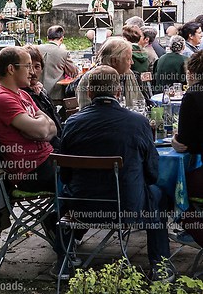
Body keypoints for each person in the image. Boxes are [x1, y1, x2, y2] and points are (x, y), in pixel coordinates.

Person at [53, 65, 171, 280]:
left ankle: (64, 263)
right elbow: (152, 172)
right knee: (158, 195)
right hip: (127, 207)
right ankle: (160, 266)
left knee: (65, 195)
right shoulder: (138, 122)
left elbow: (66, 173)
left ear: (89, 92)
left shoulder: (72, 122)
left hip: (81, 207)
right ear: (118, 91)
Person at [0, 46, 57, 192]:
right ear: (11, 69)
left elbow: (52, 128)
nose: (32, 72)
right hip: (31, 172)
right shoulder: (3, 99)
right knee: (86, 174)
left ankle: (62, 212)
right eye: (27, 66)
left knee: (91, 165)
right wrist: (40, 127)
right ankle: (63, 213)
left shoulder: (23, 95)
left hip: (47, 161)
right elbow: (43, 131)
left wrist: (38, 129)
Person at [171, 51, 203, 248]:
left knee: (172, 188)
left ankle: (193, 230)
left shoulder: (192, 96)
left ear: (191, 72)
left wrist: (174, 139)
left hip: (200, 174)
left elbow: (185, 143)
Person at [76, 37, 148, 109]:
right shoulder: (90, 79)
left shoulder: (129, 74)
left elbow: (139, 102)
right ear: (114, 61)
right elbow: (87, 113)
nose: (132, 62)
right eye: (128, 59)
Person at [22, 44, 62, 150]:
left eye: (37, 66)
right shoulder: (21, 95)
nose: (33, 72)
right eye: (28, 66)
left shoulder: (41, 91)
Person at [37, 25, 78, 105]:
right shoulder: (63, 53)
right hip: (55, 95)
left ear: (47, 38)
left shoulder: (36, 49)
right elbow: (73, 72)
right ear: (62, 38)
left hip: (37, 92)